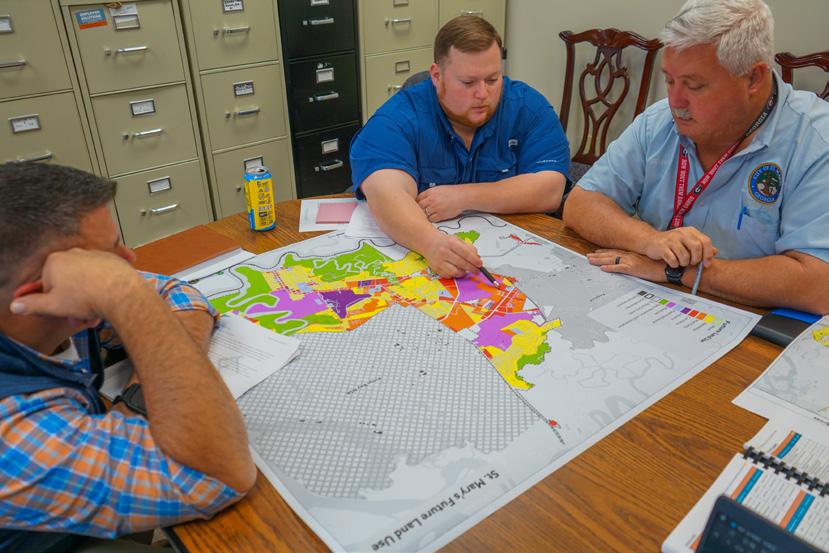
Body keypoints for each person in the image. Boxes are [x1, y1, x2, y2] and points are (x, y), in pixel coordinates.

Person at [0, 163, 256, 551]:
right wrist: (125, 296)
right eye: (107, 260)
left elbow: (179, 294)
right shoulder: (12, 435)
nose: (131, 258)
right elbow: (220, 474)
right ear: (39, 292)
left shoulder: (49, 308)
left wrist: (137, 399)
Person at [563, 0, 829, 314]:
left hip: (754, 321)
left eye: (694, 85)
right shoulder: (659, 121)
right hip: (657, 306)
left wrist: (676, 271)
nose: (675, 101)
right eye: (669, 80)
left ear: (754, 78)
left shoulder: (816, 141)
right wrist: (649, 241)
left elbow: (818, 284)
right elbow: (581, 204)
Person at [350, 15, 570, 279]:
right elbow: (386, 191)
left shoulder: (528, 107)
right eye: (468, 82)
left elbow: (550, 189)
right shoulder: (401, 116)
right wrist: (432, 244)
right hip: (428, 260)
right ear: (437, 76)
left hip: (518, 260)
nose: (483, 94)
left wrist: (463, 197)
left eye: (492, 79)